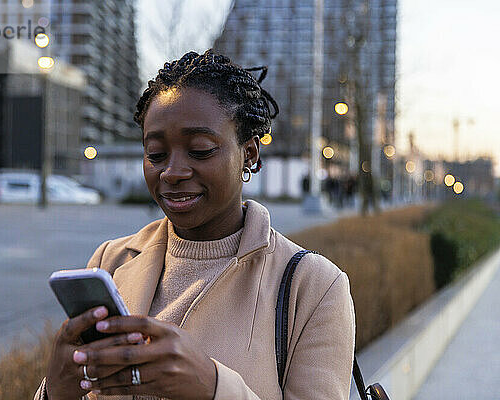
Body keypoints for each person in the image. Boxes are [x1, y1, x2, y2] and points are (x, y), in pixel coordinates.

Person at [35, 49, 355, 400]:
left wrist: (212, 386)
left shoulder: (315, 286)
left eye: (200, 150)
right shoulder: (110, 262)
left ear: (248, 154)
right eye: (156, 154)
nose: (172, 172)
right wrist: (55, 392)